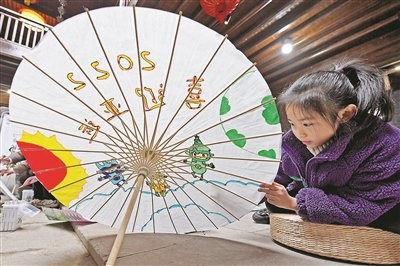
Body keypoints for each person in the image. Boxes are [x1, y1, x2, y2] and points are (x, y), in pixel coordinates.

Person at [253, 59, 400, 234]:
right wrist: (257, 190)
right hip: (325, 195)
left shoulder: (382, 144)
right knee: (274, 203)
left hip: (379, 208)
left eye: (307, 124)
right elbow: (280, 175)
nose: (299, 134)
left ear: (345, 114)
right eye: (292, 123)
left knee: (388, 225)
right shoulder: (294, 140)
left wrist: (294, 204)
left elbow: (365, 205)